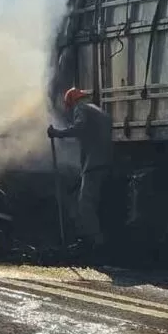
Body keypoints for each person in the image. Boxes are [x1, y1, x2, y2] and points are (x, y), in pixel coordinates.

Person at [48, 87, 113, 252]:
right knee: (93, 202)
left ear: (71, 102)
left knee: (85, 204)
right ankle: (93, 239)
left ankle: (95, 244)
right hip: (104, 160)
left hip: (94, 163)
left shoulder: (81, 108)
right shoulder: (96, 109)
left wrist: (57, 133)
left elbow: (79, 127)